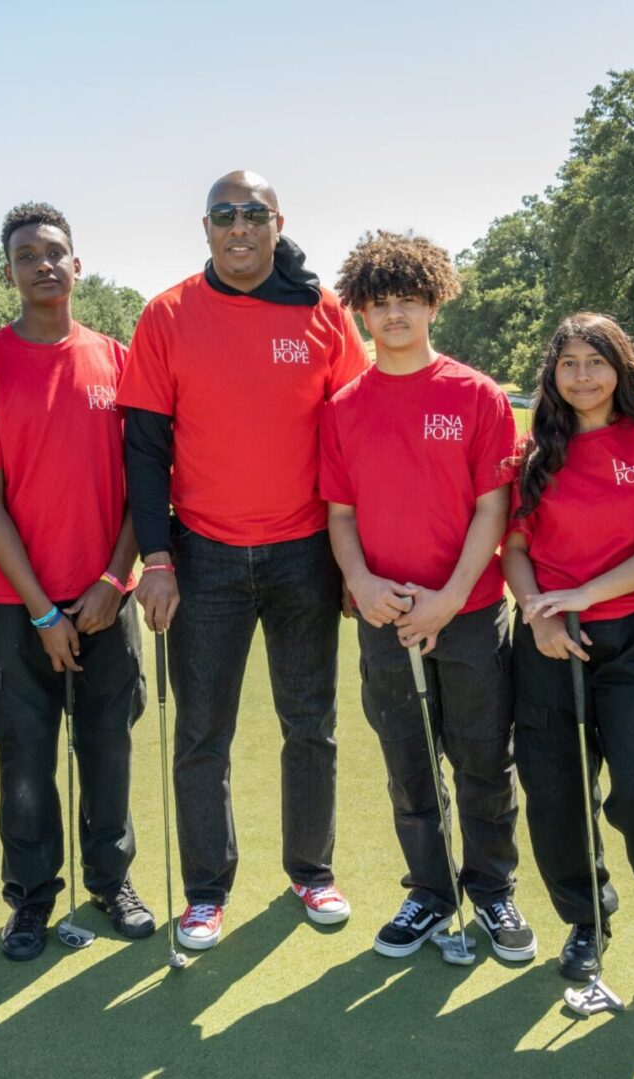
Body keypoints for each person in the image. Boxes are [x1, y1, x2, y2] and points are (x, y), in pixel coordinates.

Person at [118, 171, 370, 950]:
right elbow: (144, 446)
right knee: (201, 731)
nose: (238, 227)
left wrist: (357, 558)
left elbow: (357, 431)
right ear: (204, 228)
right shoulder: (165, 314)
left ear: (276, 223)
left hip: (305, 553)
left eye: (252, 214)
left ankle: (311, 870)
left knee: (311, 724)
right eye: (224, 215)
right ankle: (205, 892)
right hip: (202, 555)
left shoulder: (321, 310)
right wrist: (153, 559)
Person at [0, 202, 155, 961]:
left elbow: (142, 486)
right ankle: (30, 899)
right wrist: (40, 611)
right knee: (25, 765)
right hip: (12, 609)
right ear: (9, 272)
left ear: (77, 264)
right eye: (26, 254)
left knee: (107, 753)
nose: (43, 264)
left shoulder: (118, 359)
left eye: (54, 251)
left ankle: (110, 879)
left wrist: (110, 578)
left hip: (107, 602)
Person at [321, 232, 532, 962]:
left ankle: (494, 890)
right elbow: (340, 516)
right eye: (378, 304)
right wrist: (362, 583)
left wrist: (448, 597)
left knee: (480, 758)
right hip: (383, 618)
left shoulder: (475, 393)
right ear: (359, 313)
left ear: (434, 301)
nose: (394, 316)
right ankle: (430, 891)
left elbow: (492, 508)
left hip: (468, 614)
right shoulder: (343, 405)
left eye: (407, 300)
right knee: (408, 761)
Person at [505, 312, 634, 995]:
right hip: (544, 638)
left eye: (593, 362)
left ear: (618, 367)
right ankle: (585, 917)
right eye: (567, 363)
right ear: (552, 373)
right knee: (555, 789)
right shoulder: (534, 449)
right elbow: (511, 549)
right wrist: (542, 613)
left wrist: (580, 595)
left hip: (627, 634)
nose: (581, 376)